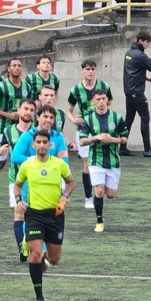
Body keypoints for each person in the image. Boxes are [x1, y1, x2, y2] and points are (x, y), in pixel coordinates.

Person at [14, 130, 75, 301]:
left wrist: (65, 197)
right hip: (34, 215)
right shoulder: (27, 165)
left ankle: (44, 260)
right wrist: (19, 201)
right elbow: (17, 184)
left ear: (50, 145)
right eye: (38, 142)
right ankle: (39, 298)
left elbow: (71, 182)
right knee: (35, 255)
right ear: (33, 145)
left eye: (44, 142)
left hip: (55, 216)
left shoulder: (59, 164)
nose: (41, 145)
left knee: (54, 259)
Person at [11, 104, 69, 262]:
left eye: (51, 118)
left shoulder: (58, 137)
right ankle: (36, 249)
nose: (48, 120)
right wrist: (34, 162)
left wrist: (50, 165)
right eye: (45, 117)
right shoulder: (28, 136)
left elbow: (65, 159)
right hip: (31, 183)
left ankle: (42, 246)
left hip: (52, 182)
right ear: (38, 117)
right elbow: (15, 156)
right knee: (28, 214)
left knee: (54, 215)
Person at [78, 90, 129, 233]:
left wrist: (113, 140)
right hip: (95, 160)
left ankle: (104, 192)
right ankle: (99, 221)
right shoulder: (88, 119)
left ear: (107, 100)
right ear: (93, 102)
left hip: (113, 161)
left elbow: (125, 138)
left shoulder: (117, 117)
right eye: (98, 99)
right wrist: (96, 138)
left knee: (110, 194)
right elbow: (82, 141)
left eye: (103, 98)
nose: (101, 101)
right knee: (99, 190)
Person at [66, 59, 113, 209]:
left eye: (93, 69)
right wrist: (74, 120)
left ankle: (102, 188)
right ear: (82, 70)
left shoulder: (104, 86)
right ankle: (88, 197)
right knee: (86, 164)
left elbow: (110, 104)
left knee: (101, 160)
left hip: (102, 130)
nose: (90, 72)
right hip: (84, 131)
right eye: (88, 69)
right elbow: (69, 110)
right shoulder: (76, 89)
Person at [0, 58, 32, 194]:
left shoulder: (27, 87)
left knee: (20, 157)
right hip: (3, 129)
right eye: (14, 66)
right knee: (1, 162)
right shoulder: (1, 87)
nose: (17, 68)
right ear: (9, 69)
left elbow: (31, 104)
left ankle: (17, 188)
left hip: (22, 128)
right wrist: (8, 115)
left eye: (19, 66)